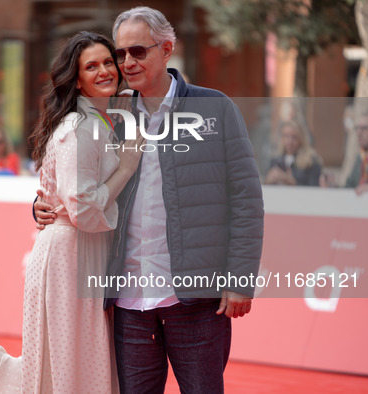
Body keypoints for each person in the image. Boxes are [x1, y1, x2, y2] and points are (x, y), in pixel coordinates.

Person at [35, 6, 264, 393]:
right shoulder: (112, 111)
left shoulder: (216, 109)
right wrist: (42, 204)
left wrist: (240, 279)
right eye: (120, 54)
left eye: (137, 52)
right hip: (127, 305)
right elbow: (76, 173)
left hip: (195, 301)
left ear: (167, 49)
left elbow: (246, 199)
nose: (126, 62)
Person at [0, 31, 144, 394]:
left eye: (107, 63)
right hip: (72, 254)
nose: (104, 72)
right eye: (91, 66)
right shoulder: (78, 130)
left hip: (84, 251)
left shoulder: (102, 119)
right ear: (76, 79)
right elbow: (80, 208)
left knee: (67, 365)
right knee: (68, 367)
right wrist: (126, 167)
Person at [265, 120, 323, 186]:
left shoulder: (311, 162)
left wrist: (292, 182)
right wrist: (268, 181)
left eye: (294, 137)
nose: (290, 141)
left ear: (301, 139)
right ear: (281, 138)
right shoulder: (275, 161)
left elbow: (315, 189)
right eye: (286, 136)